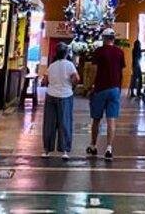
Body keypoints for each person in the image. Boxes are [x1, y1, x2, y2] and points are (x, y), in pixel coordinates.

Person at [86, 29, 125, 160]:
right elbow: (121, 71)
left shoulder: (99, 51)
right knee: (111, 120)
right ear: (113, 38)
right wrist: (119, 87)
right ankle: (109, 148)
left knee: (96, 119)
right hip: (115, 89)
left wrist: (90, 86)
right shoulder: (120, 52)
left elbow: (94, 70)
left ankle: (93, 145)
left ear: (104, 38)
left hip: (100, 88)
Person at [42, 43, 79, 159]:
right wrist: (71, 83)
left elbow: (45, 81)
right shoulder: (69, 65)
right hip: (66, 96)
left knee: (49, 123)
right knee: (64, 122)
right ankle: (64, 151)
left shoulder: (51, 66)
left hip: (51, 95)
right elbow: (76, 79)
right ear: (66, 53)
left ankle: (47, 150)